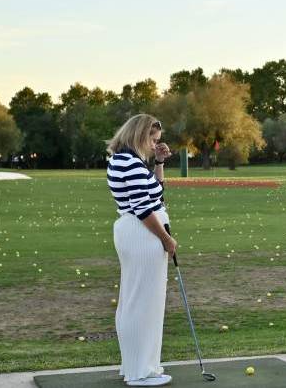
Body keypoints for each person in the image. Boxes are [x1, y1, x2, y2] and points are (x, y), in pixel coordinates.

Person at [106, 114, 176, 386]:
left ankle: (138, 366)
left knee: (137, 301)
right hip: (142, 235)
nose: (154, 144)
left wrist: (158, 162)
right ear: (138, 135)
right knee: (143, 304)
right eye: (152, 140)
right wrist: (166, 239)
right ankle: (140, 372)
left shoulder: (124, 160)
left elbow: (156, 194)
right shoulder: (130, 164)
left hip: (137, 233)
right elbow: (143, 209)